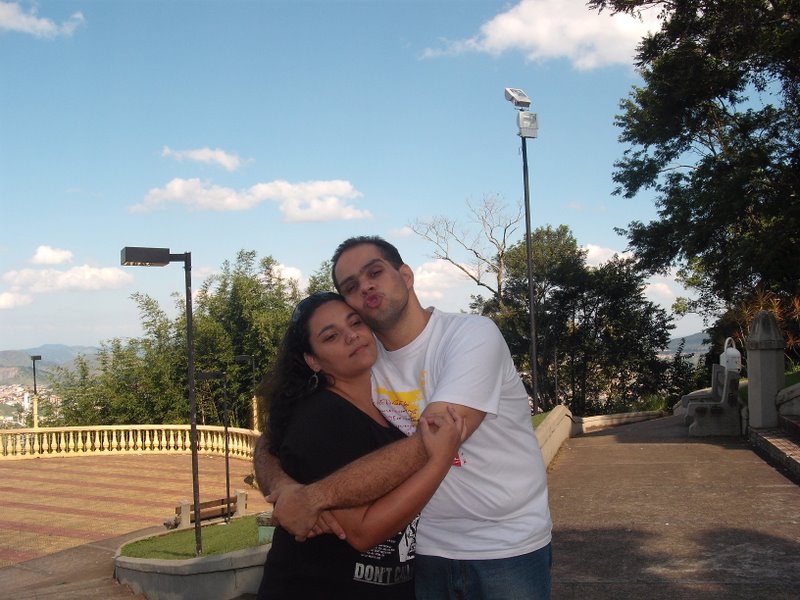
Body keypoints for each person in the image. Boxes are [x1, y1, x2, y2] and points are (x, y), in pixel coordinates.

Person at [255, 236, 553, 599]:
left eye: (375, 272)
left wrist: (312, 497)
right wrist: (284, 486)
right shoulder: (364, 358)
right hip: (424, 552)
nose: (365, 286)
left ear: (406, 276)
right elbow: (275, 439)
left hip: (505, 547)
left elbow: (435, 440)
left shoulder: (470, 336)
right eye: (351, 287)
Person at [255, 291, 464, 600]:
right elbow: (363, 532)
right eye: (331, 336)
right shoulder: (320, 418)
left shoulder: (390, 402)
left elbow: (267, 442)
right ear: (313, 360)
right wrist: (439, 461)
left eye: (355, 323)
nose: (351, 336)